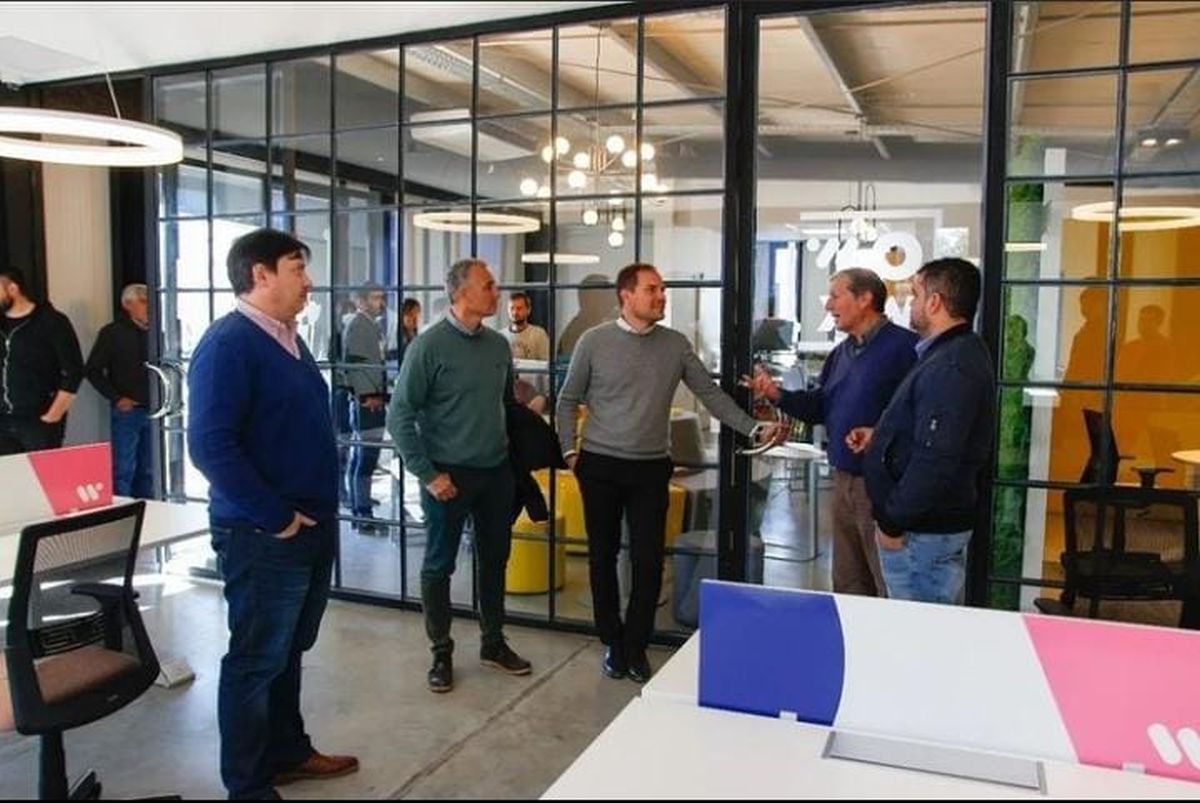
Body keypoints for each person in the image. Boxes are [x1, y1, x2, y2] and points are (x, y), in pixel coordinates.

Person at [188, 228, 357, 800]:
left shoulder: (287, 338)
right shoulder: (228, 344)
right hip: (265, 533)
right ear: (260, 274)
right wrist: (276, 518)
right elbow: (210, 446)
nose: (308, 282)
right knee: (256, 659)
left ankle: (287, 751)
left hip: (308, 524)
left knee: (287, 650)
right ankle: (248, 785)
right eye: (296, 268)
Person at [556, 263, 786, 684]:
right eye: (652, 289)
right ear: (626, 295)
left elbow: (711, 395)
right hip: (600, 466)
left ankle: (635, 645)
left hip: (650, 467)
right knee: (602, 557)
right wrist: (570, 452)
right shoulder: (594, 341)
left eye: (662, 289)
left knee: (647, 561)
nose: (661, 296)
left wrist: (754, 427)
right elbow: (567, 399)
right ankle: (612, 641)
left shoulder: (674, 344)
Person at [388, 258, 532, 694]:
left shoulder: (498, 346)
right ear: (461, 293)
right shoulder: (428, 347)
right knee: (439, 565)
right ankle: (441, 652)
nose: (497, 292)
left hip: (495, 473)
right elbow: (399, 415)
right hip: (447, 477)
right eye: (488, 285)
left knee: (495, 560)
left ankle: (493, 643)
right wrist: (428, 474)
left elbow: (504, 405)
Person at [744, 268, 918, 597]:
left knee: (888, 583)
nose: (828, 305)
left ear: (865, 299)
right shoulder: (841, 353)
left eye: (836, 296)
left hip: (883, 485)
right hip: (843, 480)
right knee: (848, 581)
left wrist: (878, 434)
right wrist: (777, 395)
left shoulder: (906, 349)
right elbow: (820, 407)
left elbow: (918, 415)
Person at [848, 257, 995, 606]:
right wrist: (881, 438)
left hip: (922, 536)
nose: (910, 305)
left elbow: (937, 458)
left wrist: (892, 522)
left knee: (919, 631)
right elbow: (932, 431)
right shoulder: (947, 354)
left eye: (915, 295)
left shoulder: (953, 364)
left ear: (934, 302)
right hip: (922, 531)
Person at [0, 267, 83, 455]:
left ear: (13, 289)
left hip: (39, 418)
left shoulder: (51, 321)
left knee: (42, 471)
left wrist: (54, 414)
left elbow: (74, 371)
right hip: (3, 420)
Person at [85, 282, 153, 498]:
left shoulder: (162, 330)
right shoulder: (113, 333)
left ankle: (151, 509)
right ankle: (123, 510)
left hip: (158, 409)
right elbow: (93, 370)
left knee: (152, 469)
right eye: (143, 301)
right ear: (127, 305)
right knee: (124, 469)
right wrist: (116, 398)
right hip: (128, 411)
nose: (149, 306)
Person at [342, 284, 388, 532]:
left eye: (380, 297)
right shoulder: (359, 325)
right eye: (374, 298)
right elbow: (353, 365)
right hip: (368, 402)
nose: (380, 302)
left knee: (362, 456)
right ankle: (363, 514)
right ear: (361, 301)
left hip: (372, 399)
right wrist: (365, 396)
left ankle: (359, 507)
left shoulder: (370, 324)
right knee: (366, 458)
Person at [503, 290, 550, 413]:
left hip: (533, 395)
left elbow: (546, 367)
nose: (515, 312)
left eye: (519, 308)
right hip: (508, 394)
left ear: (528, 310)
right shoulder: (501, 337)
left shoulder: (539, 334)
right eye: (512, 308)